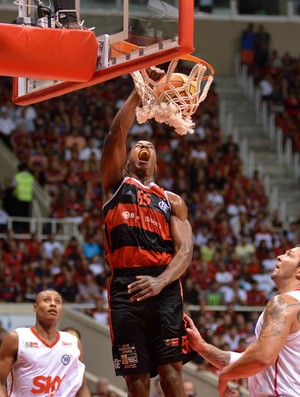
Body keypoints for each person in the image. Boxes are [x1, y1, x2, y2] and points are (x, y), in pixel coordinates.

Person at [100, 67, 195, 397]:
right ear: (126, 163)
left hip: (164, 282)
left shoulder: (172, 200)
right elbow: (116, 134)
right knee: (136, 380)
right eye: (137, 143)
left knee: (171, 373)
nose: (143, 144)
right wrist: (143, 88)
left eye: (150, 145)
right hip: (126, 285)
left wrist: (160, 281)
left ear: (156, 163)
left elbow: (185, 252)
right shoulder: (115, 185)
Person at [185, 246, 300, 397]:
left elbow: (262, 358)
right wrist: (203, 348)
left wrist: (225, 375)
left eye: (289, 255)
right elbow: (248, 360)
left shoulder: (284, 303)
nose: (280, 256)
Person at [0, 289, 91, 397]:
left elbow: (81, 386)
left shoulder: (73, 342)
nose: (53, 304)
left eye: (58, 302)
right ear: (35, 308)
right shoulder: (17, 338)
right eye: (47, 300)